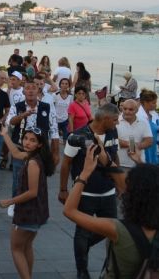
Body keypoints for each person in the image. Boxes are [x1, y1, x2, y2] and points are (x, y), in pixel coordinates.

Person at [63, 149, 158, 279]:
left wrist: (84, 174)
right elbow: (150, 186)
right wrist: (139, 163)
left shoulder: (117, 229)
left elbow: (69, 211)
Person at [59, 104, 121, 279]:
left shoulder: (112, 132)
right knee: (82, 231)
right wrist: (63, 189)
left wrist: (117, 181)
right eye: (115, 120)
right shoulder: (77, 136)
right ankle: (82, 271)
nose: (117, 123)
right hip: (85, 193)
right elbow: (66, 164)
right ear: (104, 119)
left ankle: (83, 247)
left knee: (110, 230)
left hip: (108, 192)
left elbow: (114, 155)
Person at [0, 125, 55, 279]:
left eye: (32, 140)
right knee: (26, 246)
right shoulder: (33, 156)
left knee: (16, 248)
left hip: (28, 212)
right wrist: (5, 134)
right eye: (25, 138)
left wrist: (9, 201)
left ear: (40, 144)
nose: (27, 142)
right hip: (37, 212)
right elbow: (15, 153)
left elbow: (32, 192)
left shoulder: (32, 163)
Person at [6, 80, 59, 195]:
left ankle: (36, 207)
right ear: (23, 91)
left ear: (38, 90)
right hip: (20, 149)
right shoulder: (16, 106)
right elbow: (10, 122)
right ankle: (15, 205)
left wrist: (55, 152)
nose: (30, 90)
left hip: (40, 151)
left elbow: (54, 130)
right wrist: (22, 115)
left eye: (33, 88)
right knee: (18, 179)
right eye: (27, 88)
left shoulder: (48, 107)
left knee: (39, 180)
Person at [116, 100, 152, 170]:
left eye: (130, 109)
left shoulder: (143, 121)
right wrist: (131, 144)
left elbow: (149, 141)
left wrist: (134, 146)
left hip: (138, 164)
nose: (127, 111)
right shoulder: (116, 120)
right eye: (125, 109)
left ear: (137, 110)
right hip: (119, 164)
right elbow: (112, 140)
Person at [137, 89, 158, 164]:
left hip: (153, 150)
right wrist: (133, 147)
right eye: (153, 103)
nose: (156, 105)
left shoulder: (154, 115)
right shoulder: (138, 116)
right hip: (142, 150)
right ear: (145, 103)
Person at [54, 78, 74, 142]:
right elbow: (52, 108)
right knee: (54, 139)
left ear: (68, 86)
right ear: (60, 85)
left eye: (66, 84)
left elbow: (71, 111)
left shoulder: (70, 96)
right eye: (62, 83)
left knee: (66, 139)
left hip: (65, 121)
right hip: (55, 120)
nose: (64, 85)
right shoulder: (55, 95)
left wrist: (70, 123)